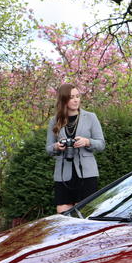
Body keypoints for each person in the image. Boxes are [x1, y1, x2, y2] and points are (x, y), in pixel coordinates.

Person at [46, 84, 105, 213]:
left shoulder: (90, 117)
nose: (76, 100)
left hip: (86, 173)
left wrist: (87, 141)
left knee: (84, 211)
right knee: (63, 210)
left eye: (77, 96)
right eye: (71, 97)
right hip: (63, 173)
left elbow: (101, 144)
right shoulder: (54, 120)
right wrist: (57, 146)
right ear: (63, 99)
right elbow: (48, 149)